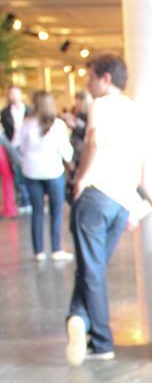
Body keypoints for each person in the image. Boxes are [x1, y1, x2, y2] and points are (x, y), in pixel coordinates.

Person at [65, 53, 142, 365]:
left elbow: (93, 142)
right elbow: (138, 158)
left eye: (91, 77)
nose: (88, 84)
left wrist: (80, 179)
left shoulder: (100, 105)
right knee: (92, 268)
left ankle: (100, 340)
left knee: (91, 270)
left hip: (97, 196)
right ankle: (79, 320)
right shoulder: (133, 109)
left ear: (105, 78)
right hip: (122, 201)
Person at [20, 90, 74, 260]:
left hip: (31, 172)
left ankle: (39, 252)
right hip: (53, 172)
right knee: (56, 211)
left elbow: (22, 148)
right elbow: (66, 153)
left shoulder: (26, 123)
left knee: (37, 212)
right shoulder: (57, 125)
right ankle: (56, 249)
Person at [1, 86, 32, 210]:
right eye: (10, 94)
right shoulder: (5, 112)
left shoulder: (29, 110)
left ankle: (27, 198)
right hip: (12, 145)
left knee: (27, 171)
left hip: (27, 146)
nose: (11, 96)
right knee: (17, 171)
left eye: (13, 94)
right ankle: (22, 199)